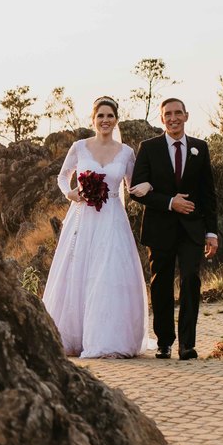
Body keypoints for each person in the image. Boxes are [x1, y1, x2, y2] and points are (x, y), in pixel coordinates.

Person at [41, 97, 153, 358]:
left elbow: (132, 186)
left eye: (110, 116)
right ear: (93, 119)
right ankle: (73, 336)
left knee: (107, 275)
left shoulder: (126, 152)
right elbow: (62, 176)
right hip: (82, 218)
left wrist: (149, 186)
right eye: (101, 115)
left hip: (112, 218)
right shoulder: (79, 147)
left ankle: (107, 338)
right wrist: (68, 193)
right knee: (77, 273)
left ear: (116, 120)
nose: (105, 120)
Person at [129, 97, 219, 360]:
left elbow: (208, 194)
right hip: (160, 227)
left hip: (192, 228)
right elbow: (137, 190)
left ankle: (187, 345)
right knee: (161, 285)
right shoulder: (148, 148)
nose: (173, 118)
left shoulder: (200, 148)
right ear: (162, 119)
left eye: (178, 113)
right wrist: (170, 202)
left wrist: (211, 232)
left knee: (191, 279)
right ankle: (165, 342)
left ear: (186, 116)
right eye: (168, 114)